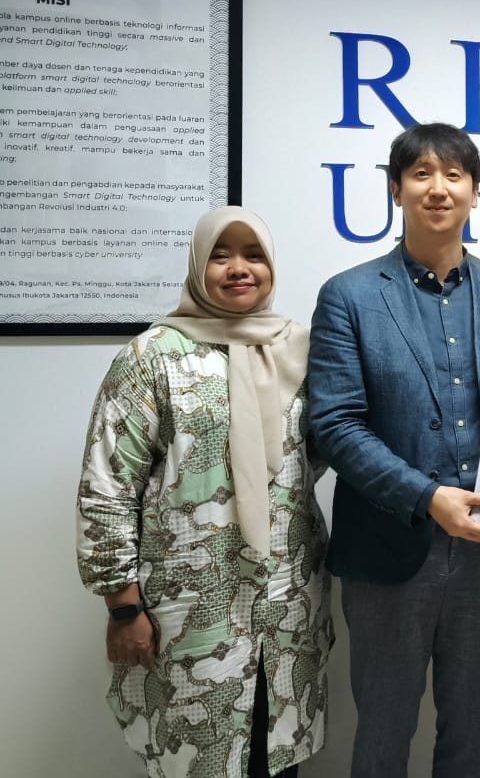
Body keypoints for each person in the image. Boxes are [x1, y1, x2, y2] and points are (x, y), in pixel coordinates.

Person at [308, 122, 480, 778]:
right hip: (388, 551)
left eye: (453, 174)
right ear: (396, 189)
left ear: (475, 190)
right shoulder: (349, 295)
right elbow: (335, 424)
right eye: (421, 174)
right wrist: (428, 497)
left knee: (472, 730)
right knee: (383, 733)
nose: (438, 188)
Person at [75, 206, 331, 778]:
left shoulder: (301, 352)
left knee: (277, 751)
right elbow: (107, 488)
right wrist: (123, 606)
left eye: (253, 255)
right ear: (197, 267)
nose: (239, 268)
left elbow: (320, 455)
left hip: (288, 602)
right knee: (200, 756)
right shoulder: (150, 358)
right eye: (221, 256)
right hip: (192, 608)